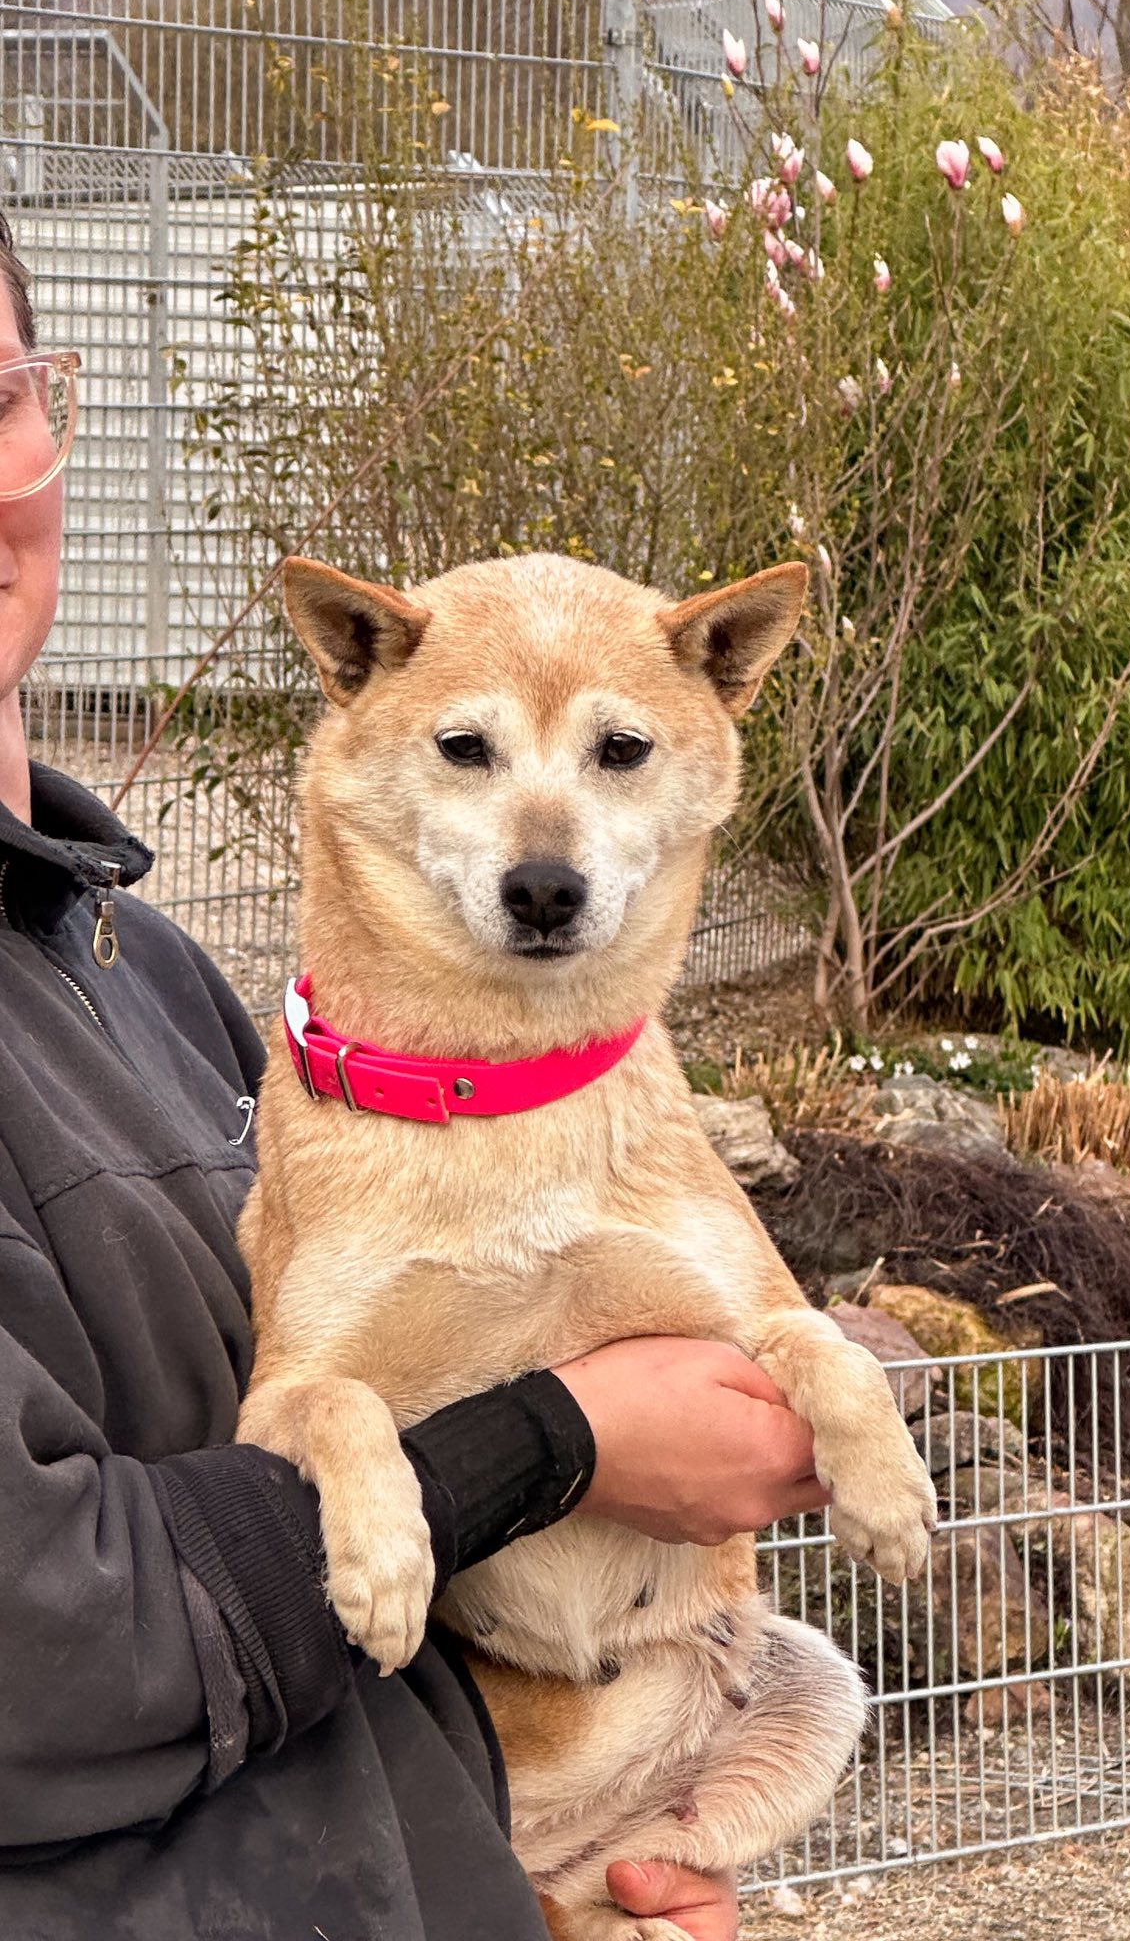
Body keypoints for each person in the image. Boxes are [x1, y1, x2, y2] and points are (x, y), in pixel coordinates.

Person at [0, 214, 830, 1941]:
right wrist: (563, 1444)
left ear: (53, 415)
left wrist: (578, 1854)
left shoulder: (145, 968)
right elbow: (48, 1646)